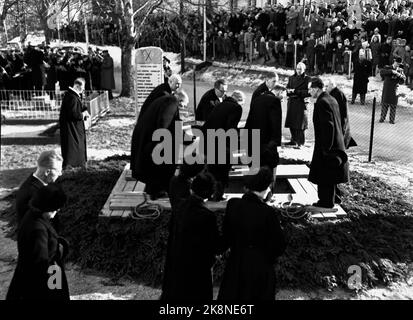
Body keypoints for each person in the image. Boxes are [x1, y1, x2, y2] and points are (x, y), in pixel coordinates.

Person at [217, 167, 286, 301]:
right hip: (260, 267)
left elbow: (226, 238)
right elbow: (279, 246)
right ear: (267, 188)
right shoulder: (268, 212)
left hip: (236, 263)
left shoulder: (233, 205)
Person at [161, 172, 221, 301]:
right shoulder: (208, 216)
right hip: (197, 269)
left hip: (177, 265)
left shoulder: (179, 207)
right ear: (210, 193)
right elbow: (216, 246)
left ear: (191, 188)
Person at [7, 183, 70, 300]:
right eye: (56, 208)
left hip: (26, 275)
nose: (58, 210)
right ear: (48, 208)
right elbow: (41, 266)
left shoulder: (30, 216)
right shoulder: (38, 230)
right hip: (46, 279)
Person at [130, 90, 189, 200]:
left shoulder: (165, 100)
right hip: (153, 140)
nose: (183, 109)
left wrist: (189, 139)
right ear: (180, 101)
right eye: (183, 105)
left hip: (146, 137)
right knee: (164, 163)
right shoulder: (172, 103)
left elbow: (175, 127)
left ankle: (153, 189)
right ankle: (158, 191)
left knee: (153, 168)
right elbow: (164, 125)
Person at [308, 77, 349, 209]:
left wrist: (326, 149)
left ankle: (326, 202)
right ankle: (333, 198)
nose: (309, 91)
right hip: (336, 143)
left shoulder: (322, 103)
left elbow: (328, 127)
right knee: (331, 175)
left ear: (316, 88)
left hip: (327, 146)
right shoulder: (331, 99)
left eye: (310, 88)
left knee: (325, 175)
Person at [202, 90, 245, 201]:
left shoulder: (221, 105)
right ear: (239, 100)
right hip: (221, 143)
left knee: (210, 169)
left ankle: (206, 193)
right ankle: (218, 196)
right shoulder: (236, 108)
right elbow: (231, 128)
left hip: (208, 139)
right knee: (222, 170)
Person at [15, 150, 63, 227]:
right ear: (47, 172)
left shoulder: (32, 183)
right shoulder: (34, 192)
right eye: (58, 170)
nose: (60, 174)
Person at [244, 84, 285, 171]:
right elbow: (276, 124)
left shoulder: (257, 99)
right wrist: (276, 142)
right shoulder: (275, 101)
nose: (283, 99)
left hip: (253, 140)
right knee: (267, 169)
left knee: (254, 170)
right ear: (279, 92)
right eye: (283, 95)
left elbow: (250, 119)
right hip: (266, 142)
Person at [59, 78, 90, 170]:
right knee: (73, 147)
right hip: (72, 129)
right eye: (82, 88)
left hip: (72, 128)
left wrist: (84, 110)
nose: (83, 90)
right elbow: (74, 114)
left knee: (74, 147)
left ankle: (76, 164)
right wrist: (83, 114)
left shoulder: (71, 95)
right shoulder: (72, 97)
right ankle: (73, 165)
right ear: (77, 86)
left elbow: (78, 107)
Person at [284, 62, 310, 147]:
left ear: (304, 70)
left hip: (301, 103)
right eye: (297, 69)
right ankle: (293, 140)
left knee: (300, 124)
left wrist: (296, 92)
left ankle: (301, 142)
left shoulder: (307, 79)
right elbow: (287, 88)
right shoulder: (291, 78)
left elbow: (308, 92)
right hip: (292, 102)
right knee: (291, 122)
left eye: (300, 69)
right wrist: (289, 91)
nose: (298, 71)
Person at [379, 57, 406, 124]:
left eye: (399, 64)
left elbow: (401, 82)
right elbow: (382, 72)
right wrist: (392, 71)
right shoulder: (388, 67)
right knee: (385, 104)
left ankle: (392, 120)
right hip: (387, 89)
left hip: (394, 89)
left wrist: (402, 77)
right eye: (397, 63)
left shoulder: (400, 70)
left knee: (393, 105)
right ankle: (382, 118)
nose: (397, 65)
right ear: (394, 62)